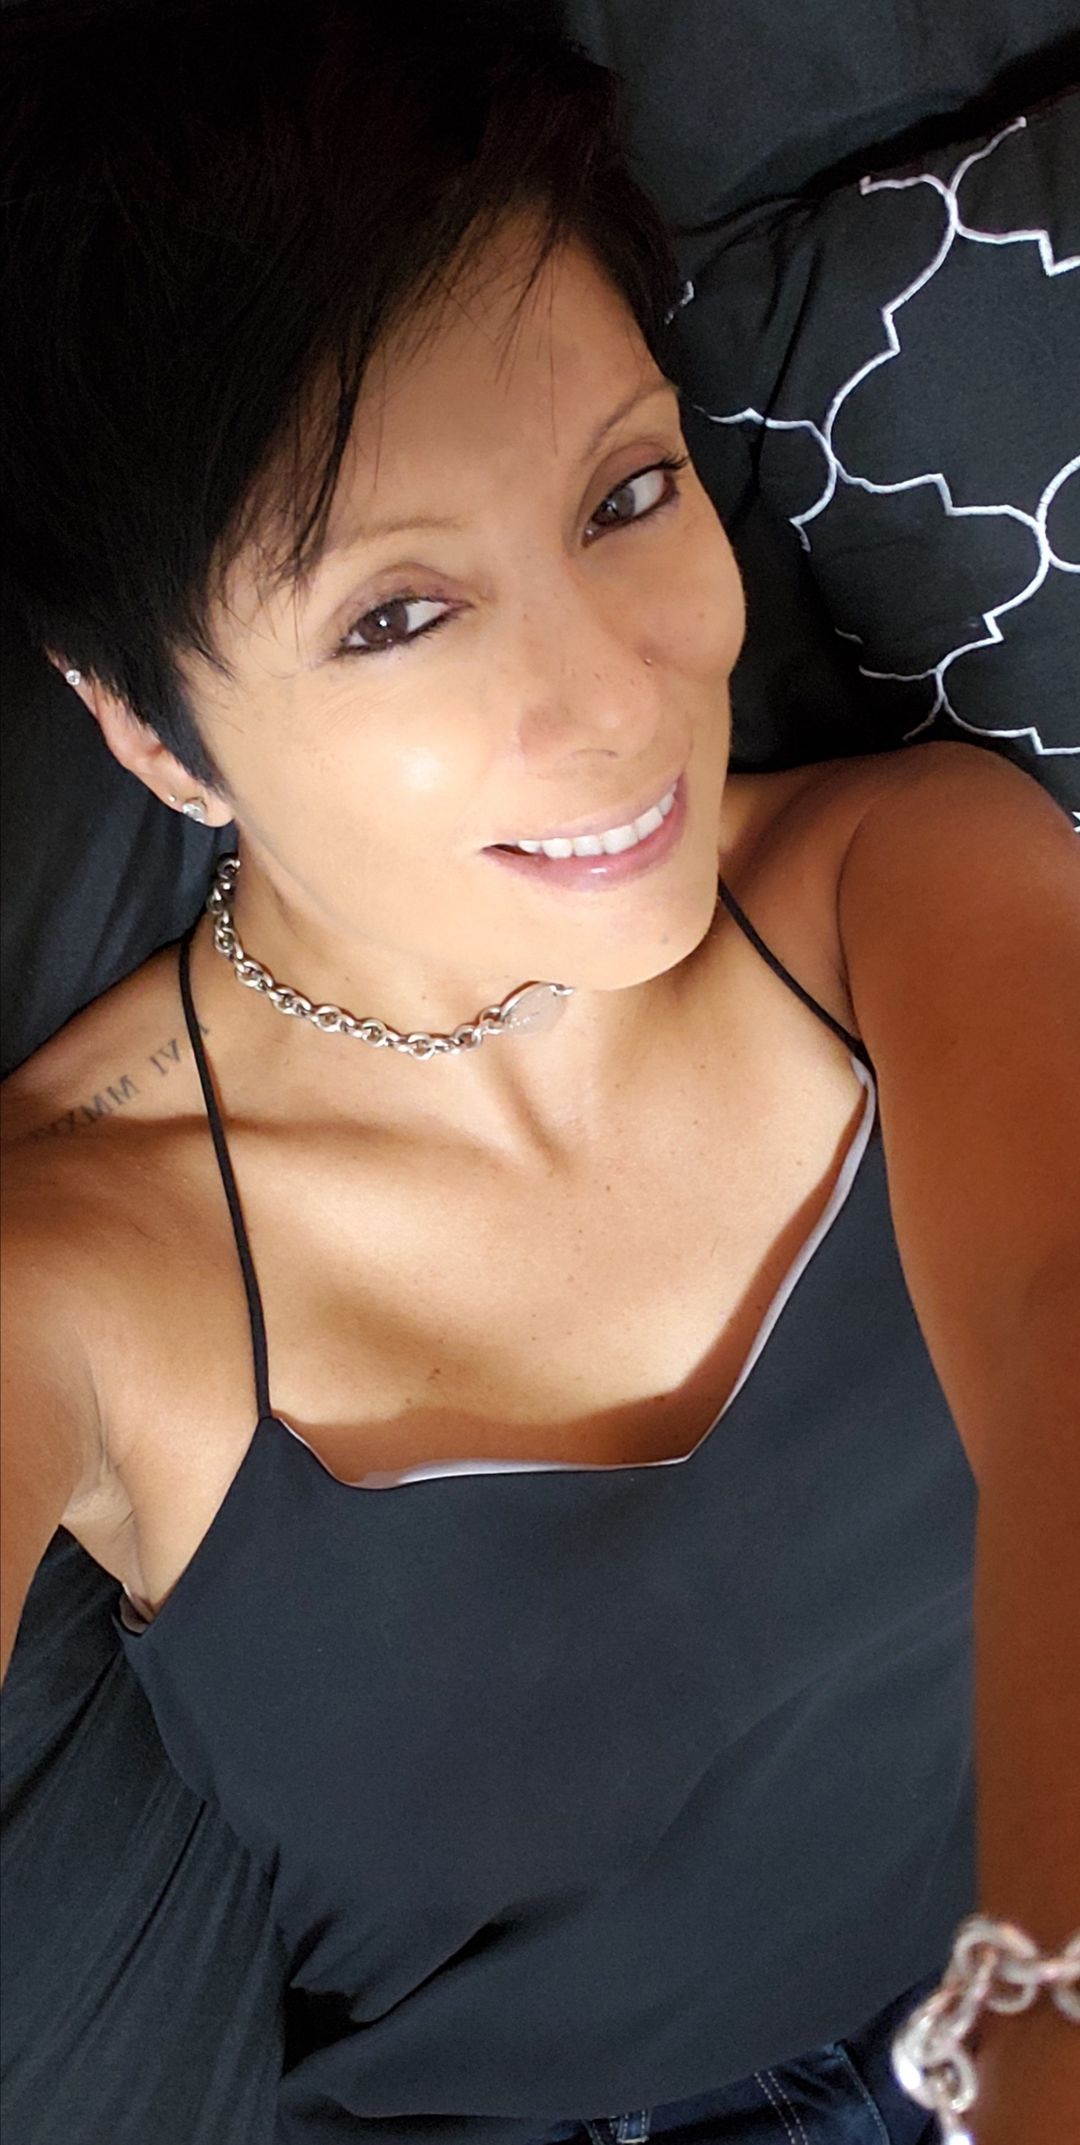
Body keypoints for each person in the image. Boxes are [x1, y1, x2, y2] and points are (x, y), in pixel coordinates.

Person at [1, 4, 1077, 2143]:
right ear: (148, 728)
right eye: (396, 617)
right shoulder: (76, 1263)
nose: (611, 699)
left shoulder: (908, 880)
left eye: (628, 491)